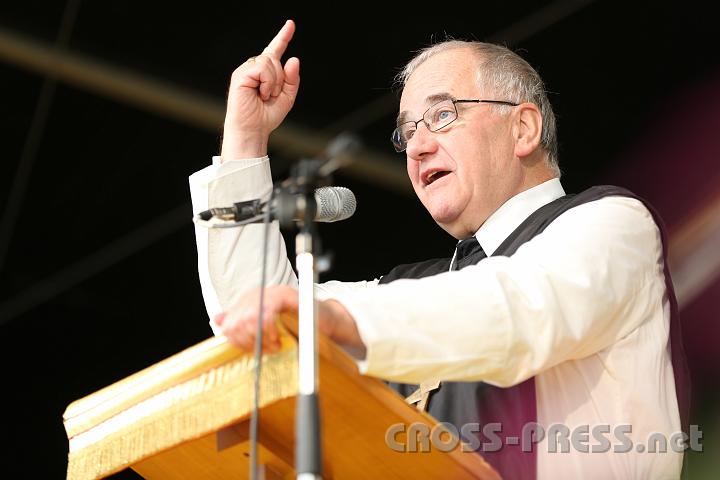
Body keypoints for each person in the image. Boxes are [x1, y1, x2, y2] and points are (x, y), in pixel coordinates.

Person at [189, 20, 688, 479]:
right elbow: (261, 321)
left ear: (524, 128)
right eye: (407, 131)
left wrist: (340, 318)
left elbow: (519, 307)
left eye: (442, 115)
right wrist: (245, 141)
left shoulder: (615, 224)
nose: (417, 146)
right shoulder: (411, 290)